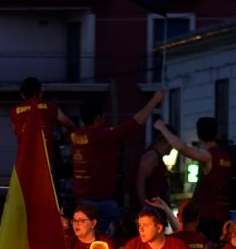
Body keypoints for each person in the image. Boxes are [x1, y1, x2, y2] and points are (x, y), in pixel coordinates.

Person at [70, 89, 165, 237]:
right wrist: (154, 101)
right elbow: (135, 123)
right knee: (110, 243)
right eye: (103, 116)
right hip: (102, 203)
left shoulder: (75, 136)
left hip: (81, 202)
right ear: (98, 118)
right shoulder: (102, 136)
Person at [160, 117, 232, 242]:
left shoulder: (208, 156)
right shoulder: (225, 156)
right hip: (223, 215)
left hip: (206, 218)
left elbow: (181, 148)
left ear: (198, 135)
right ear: (217, 134)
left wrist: (162, 128)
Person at [136, 121, 175, 208]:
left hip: (157, 210)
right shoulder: (152, 156)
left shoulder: (156, 157)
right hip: (152, 212)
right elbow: (139, 182)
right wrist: (145, 207)